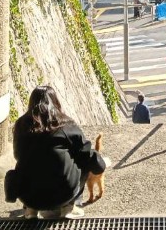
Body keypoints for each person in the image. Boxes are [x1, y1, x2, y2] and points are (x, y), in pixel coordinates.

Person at [8, 86, 106, 219]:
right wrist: (100, 164)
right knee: (82, 159)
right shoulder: (66, 125)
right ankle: (68, 207)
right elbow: (86, 154)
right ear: (55, 102)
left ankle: (31, 210)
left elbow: (17, 155)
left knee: (28, 163)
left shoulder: (21, 125)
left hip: (28, 195)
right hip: (62, 194)